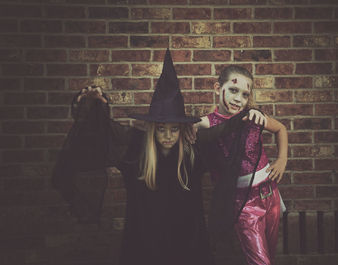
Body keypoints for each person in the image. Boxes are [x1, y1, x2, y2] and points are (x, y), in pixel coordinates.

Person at [52, 50, 254, 265]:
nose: (168, 136)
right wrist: (95, 105)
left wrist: (242, 115)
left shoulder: (193, 153)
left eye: (174, 129)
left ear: (182, 129)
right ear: (151, 129)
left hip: (186, 247)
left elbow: (222, 134)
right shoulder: (134, 150)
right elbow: (100, 131)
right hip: (145, 247)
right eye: (161, 129)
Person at [196, 65, 288, 265]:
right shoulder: (207, 122)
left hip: (270, 193)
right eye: (233, 90)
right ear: (217, 88)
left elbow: (280, 128)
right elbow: (187, 127)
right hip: (243, 201)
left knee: (270, 255)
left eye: (245, 94)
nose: (238, 99)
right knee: (260, 261)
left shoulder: (252, 116)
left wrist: (282, 160)